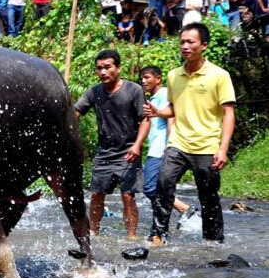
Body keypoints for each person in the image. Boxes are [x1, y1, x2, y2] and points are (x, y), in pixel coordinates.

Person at [144, 23, 236, 245]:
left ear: (203, 45)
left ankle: (213, 242)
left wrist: (223, 148)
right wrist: (158, 112)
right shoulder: (174, 75)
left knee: (209, 197)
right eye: (182, 42)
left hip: (207, 146)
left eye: (190, 42)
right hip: (178, 143)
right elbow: (174, 109)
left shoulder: (219, 75)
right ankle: (158, 235)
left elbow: (228, 113)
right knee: (163, 184)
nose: (185, 46)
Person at [74, 49, 149, 239]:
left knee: (127, 195)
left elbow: (145, 120)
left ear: (118, 68)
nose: (103, 72)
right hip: (104, 152)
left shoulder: (134, 90)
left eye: (107, 67)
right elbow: (76, 112)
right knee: (97, 194)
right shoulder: (94, 92)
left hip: (128, 151)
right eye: (99, 68)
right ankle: (94, 233)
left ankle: (131, 236)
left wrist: (137, 145)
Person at [139, 65, 195, 223]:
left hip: (161, 150)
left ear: (158, 79)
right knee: (156, 188)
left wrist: (169, 146)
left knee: (150, 188)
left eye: (147, 77)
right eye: (142, 78)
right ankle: (162, 226)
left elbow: (171, 118)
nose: (143, 81)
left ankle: (185, 209)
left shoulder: (164, 94)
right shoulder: (152, 98)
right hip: (155, 149)